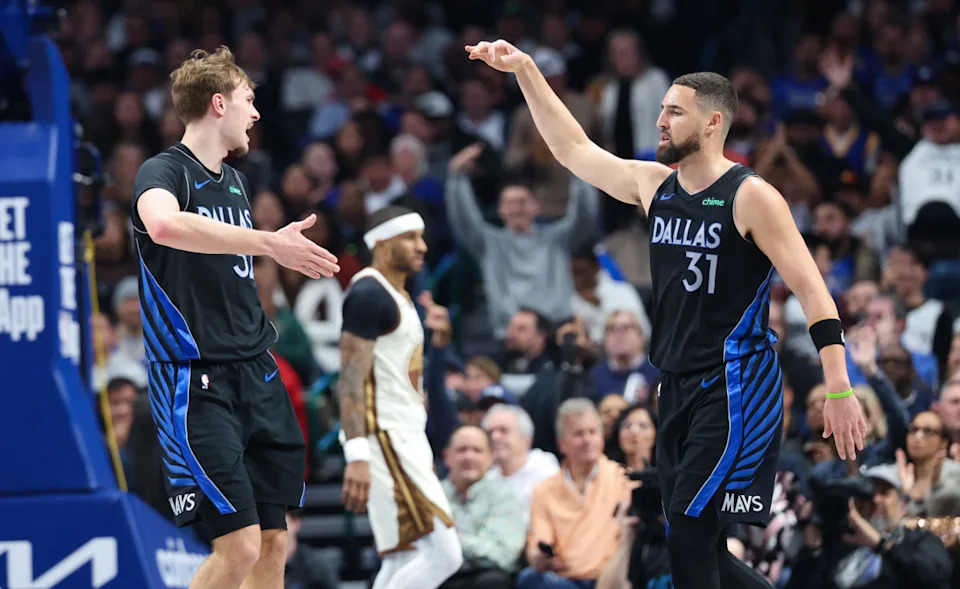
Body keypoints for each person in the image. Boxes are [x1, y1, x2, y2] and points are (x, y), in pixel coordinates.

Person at [466, 40, 866, 589]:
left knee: (688, 537)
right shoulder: (655, 186)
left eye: (674, 111)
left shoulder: (751, 197)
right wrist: (527, 72)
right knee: (693, 541)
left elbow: (814, 294)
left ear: (712, 122)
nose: (660, 120)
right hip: (676, 384)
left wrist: (840, 389)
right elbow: (572, 149)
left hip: (735, 385)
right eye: (660, 109)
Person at [132, 47, 340, 589]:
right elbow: (164, 227)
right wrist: (269, 243)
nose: (257, 113)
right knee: (240, 545)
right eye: (249, 100)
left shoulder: (236, 183)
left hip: (255, 370)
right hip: (194, 378)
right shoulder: (163, 170)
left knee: (275, 544)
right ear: (219, 104)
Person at [336, 205, 463, 589]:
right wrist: (357, 453)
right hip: (384, 435)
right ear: (381, 242)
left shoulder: (403, 296)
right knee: (445, 554)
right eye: (410, 237)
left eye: (422, 236)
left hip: (406, 431)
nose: (421, 246)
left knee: (405, 557)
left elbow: (401, 372)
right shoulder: (368, 294)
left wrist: (440, 341)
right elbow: (350, 379)